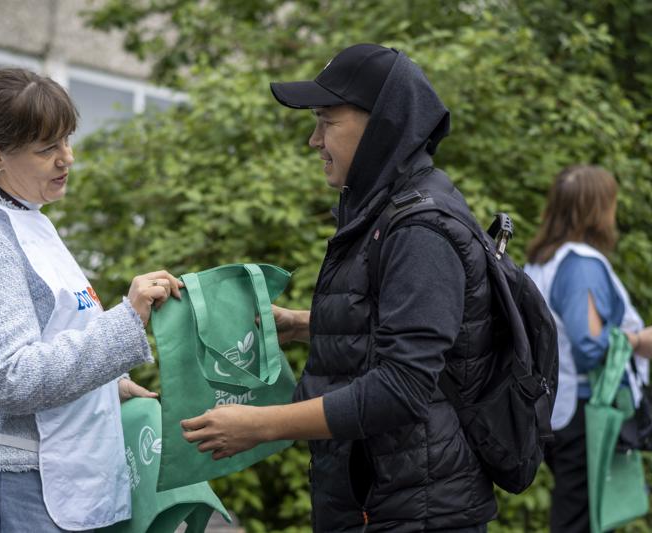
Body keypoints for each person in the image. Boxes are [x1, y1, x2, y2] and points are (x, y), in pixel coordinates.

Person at [181, 43, 497, 531]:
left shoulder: (420, 228)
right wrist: (302, 324)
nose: (314, 140)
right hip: (378, 499)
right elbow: (407, 326)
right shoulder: (383, 211)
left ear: (382, 126)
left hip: (412, 512)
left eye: (326, 121)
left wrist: (261, 425)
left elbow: (403, 387)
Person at [0, 62, 183, 532]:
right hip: (0, 482)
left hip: (42, 479)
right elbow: (11, 376)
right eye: (47, 147)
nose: (67, 158)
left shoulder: (26, 219)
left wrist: (106, 388)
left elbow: (48, 340)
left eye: (67, 140)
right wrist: (127, 319)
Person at [524, 164, 652, 533]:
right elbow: (590, 345)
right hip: (585, 413)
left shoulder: (541, 262)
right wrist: (638, 341)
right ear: (598, 209)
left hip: (553, 408)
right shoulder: (580, 266)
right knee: (580, 521)